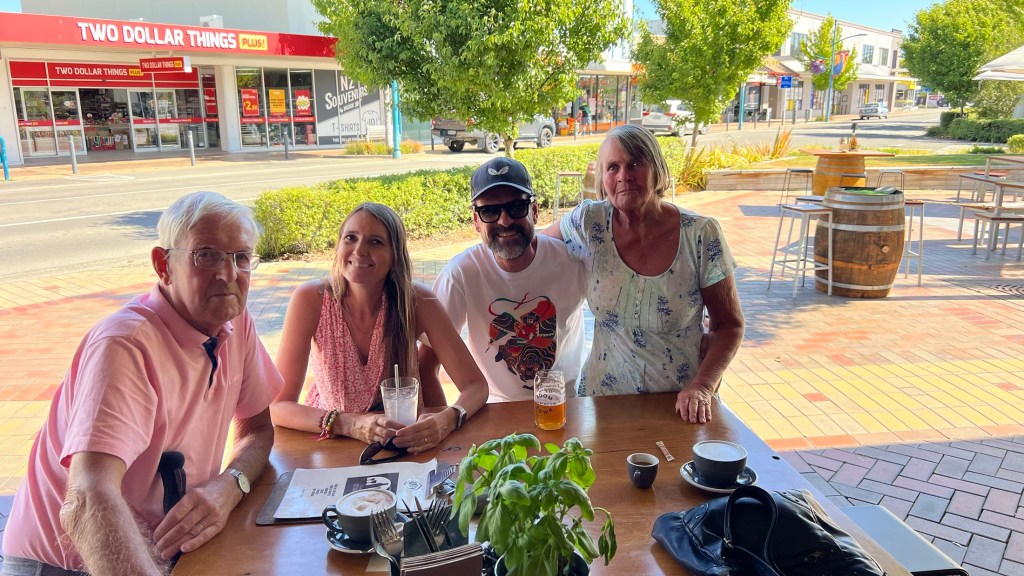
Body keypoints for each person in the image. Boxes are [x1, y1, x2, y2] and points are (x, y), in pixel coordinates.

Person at [2, 192, 283, 576]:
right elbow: (88, 497)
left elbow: (257, 429)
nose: (228, 274)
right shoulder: (125, 344)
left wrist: (229, 485)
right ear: (163, 265)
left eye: (241, 257)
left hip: (163, 550)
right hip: (68, 561)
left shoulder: (234, 319)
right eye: (206, 255)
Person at [544, 124, 745, 424]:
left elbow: (729, 325)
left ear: (656, 169)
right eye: (613, 167)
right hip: (602, 400)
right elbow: (536, 250)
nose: (624, 175)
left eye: (635, 163)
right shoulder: (588, 222)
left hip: (680, 403)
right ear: (603, 178)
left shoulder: (700, 234)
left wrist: (703, 385)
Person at [271, 203, 488, 453]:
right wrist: (351, 424)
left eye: (375, 242)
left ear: (395, 255)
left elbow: (476, 386)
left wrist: (447, 419)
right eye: (350, 238)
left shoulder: (417, 300)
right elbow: (278, 406)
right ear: (338, 245)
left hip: (407, 443)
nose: (359, 251)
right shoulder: (311, 299)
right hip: (335, 442)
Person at [419, 157, 587, 403]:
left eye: (516, 207)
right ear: (476, 221)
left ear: (534, 211)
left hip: (565, 405)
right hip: (493, 410)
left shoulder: (571, 261)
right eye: (489, 211)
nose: (504, 220)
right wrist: (446, 420)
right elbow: (426, 364)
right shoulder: (461, 274)